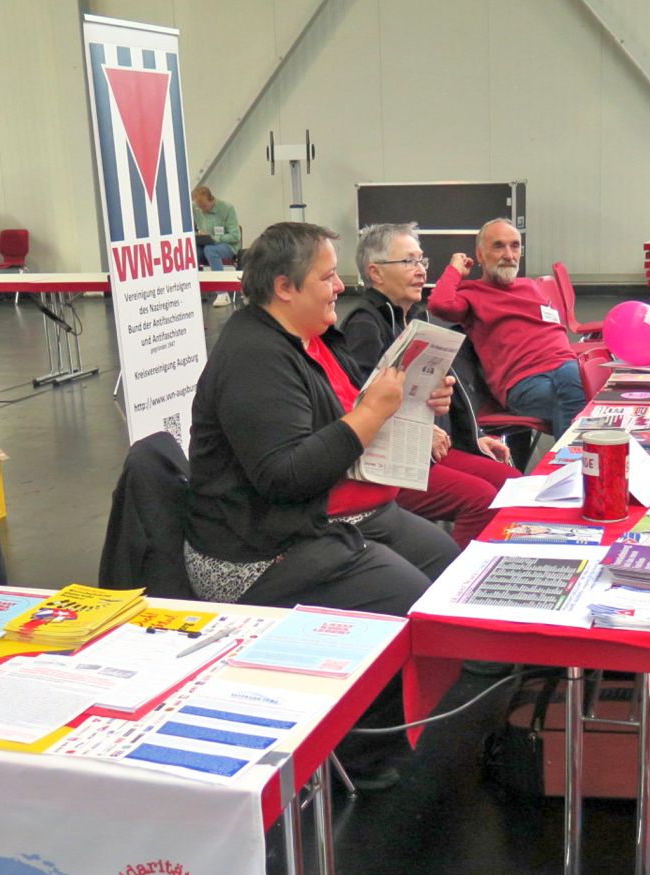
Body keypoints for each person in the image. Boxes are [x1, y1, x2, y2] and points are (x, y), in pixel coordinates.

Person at [185, 221, 459, 786]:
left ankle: (392, 722)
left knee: (442, 565)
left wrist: (407, 408)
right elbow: (285, 475)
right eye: (328, 277)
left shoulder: (299, 341)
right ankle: (356, 752)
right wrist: (372, 415)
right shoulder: (255, 358)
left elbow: (335, 425)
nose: (340, 287)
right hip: (253, 552)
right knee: (407, 596)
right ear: (285, 287)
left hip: (309, 520)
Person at [341, 222, 520, 547]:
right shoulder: (364, 326)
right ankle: (455, 581)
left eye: (422, 261)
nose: (421, 270)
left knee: (513, 483)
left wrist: (474, 438)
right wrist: (422, 430)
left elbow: (443, 395)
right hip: (390, 458)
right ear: (376, 273)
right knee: (480, 498)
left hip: (427, 448)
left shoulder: (417, 318)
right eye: (408, 261)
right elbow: (355, 406)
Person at [427, 219, 585, 437]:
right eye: (498, 246)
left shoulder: (530, 286)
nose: (509, 255)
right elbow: (439, 304)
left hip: (564, 368)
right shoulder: (472, 294)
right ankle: (577, 464)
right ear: (480, 255)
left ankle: (569, 464)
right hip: (523, 383)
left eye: (515, 246)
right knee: (581, 398)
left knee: (580, 388)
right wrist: (454, 270)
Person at [191, 185, 240, 307]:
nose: (202, 210)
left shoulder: (227, 209)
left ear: (211, 200)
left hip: (228, 246)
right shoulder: (196, 209)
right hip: (205, 244)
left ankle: (222, 293)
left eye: (204, 207)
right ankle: (194, 292)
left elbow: (235, 236)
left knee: (210, 250)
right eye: (199, 207)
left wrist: (213, 238)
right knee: (192, 252)